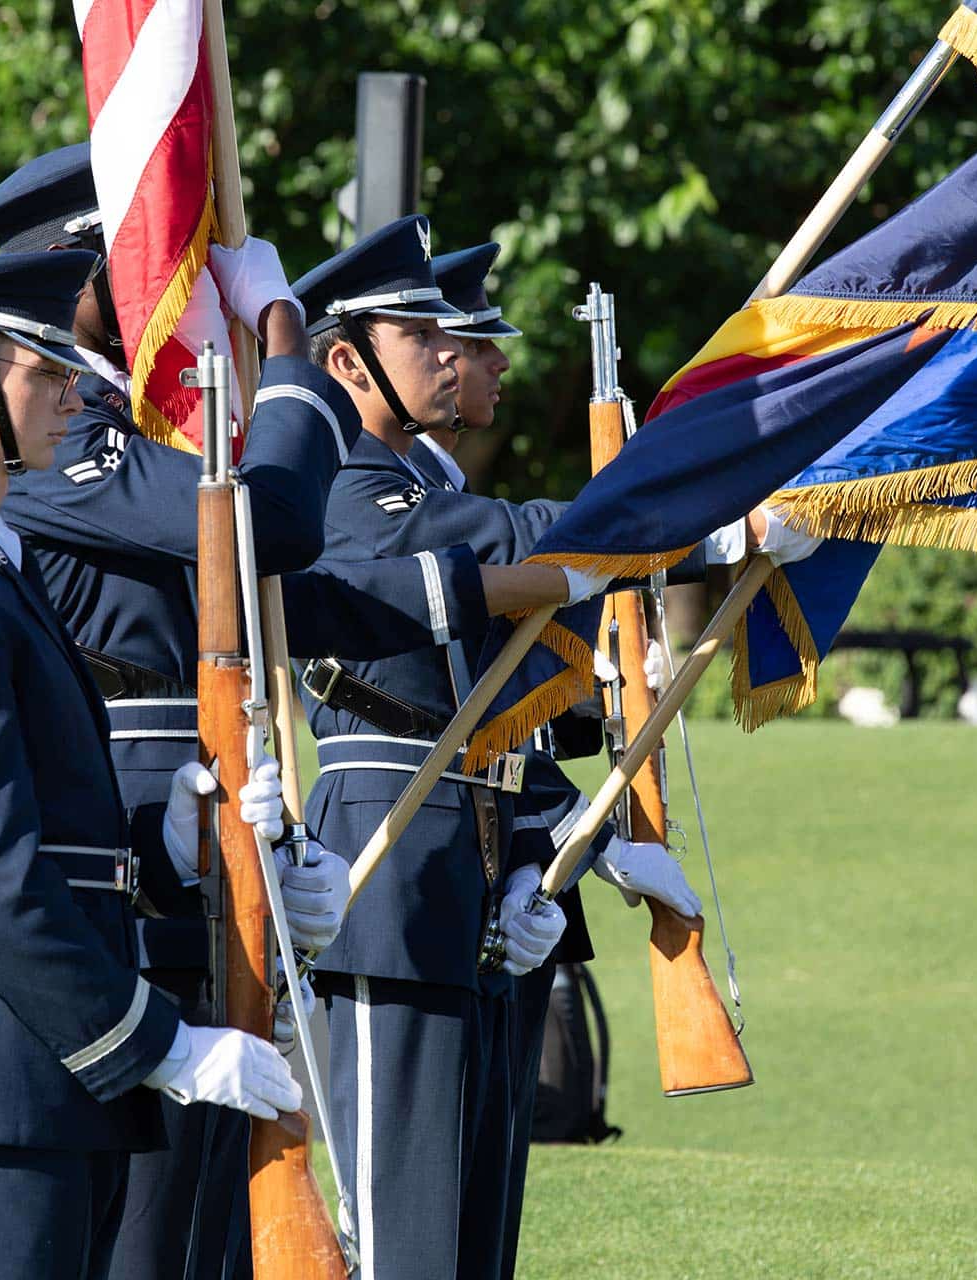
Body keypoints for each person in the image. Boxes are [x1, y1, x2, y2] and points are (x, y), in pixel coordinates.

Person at [0, 145, 571, 1279]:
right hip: (132, 860)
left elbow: (294, 601)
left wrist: (508, 582)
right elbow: (265, 532)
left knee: (204, 1239)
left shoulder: (124, 433)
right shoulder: (60, 450)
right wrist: (285, 340)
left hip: (211, 845)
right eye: (144, 255)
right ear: (76, 268)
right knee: (132, 1241)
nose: (170, 282)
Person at [0, 252, 331, 1279]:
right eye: (46, 372)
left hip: (52, 1062)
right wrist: (160, 1040)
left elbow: (58, 829)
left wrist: (177, 839)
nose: (79, 389)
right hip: (3, 1058)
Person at [425, 242, 705, 1276]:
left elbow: (498, 723)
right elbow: (501, 542)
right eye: (468, 344)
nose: (499, 365)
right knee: (416, 1213)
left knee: (482, 1219)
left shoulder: (435, 477)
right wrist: (699, 514)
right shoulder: (373, 481)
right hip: (408, 871)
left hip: (493, 871)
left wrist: (569, 847)